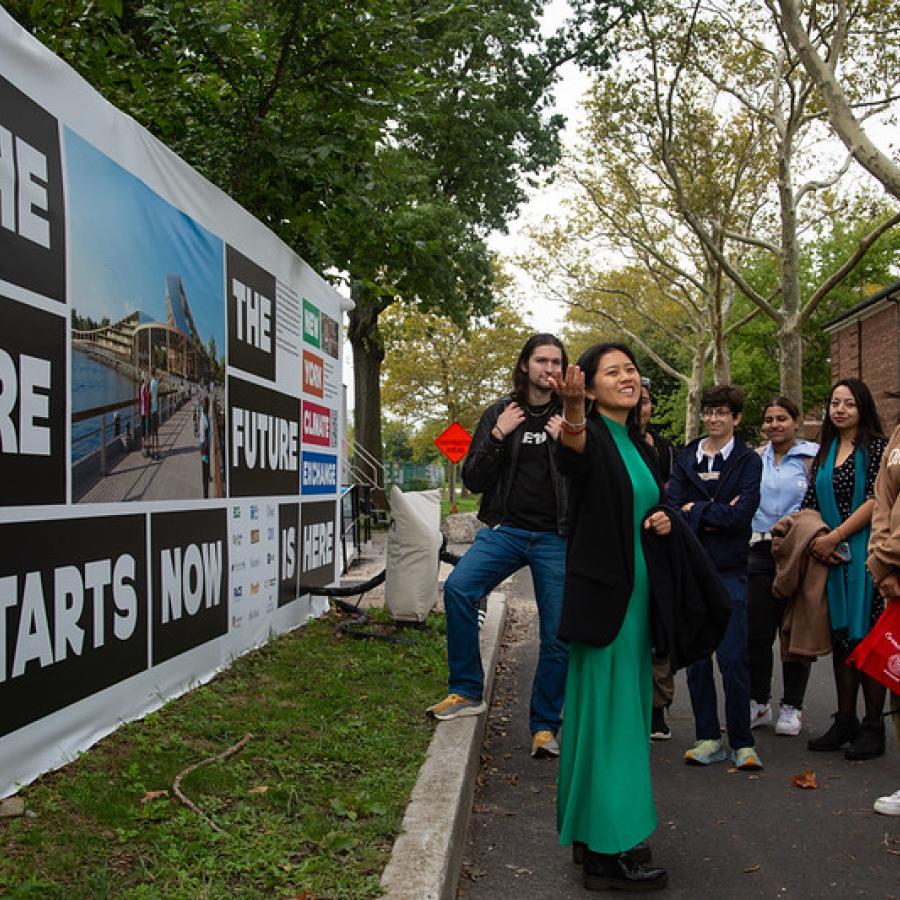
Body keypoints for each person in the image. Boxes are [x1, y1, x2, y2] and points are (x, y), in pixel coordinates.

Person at [551, 342, 669, 892]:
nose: (627, 377)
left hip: (635, 600)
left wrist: (663, 520)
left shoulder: (637, 443)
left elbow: (637, 507)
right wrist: (573, 411)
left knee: (613, 719)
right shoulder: (590, 432)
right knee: (610, 722)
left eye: (631, 369)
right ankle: (606, 852)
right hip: (607, 603)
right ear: (589, 386)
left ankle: (595, 832)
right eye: (612, 371)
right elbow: (572, 456)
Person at [426, 334, 570, 760]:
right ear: (525, 365)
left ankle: (545, 726)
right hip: (505, 530)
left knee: (558, 631)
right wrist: (496, 434)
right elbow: (473, 479)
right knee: (459, 588)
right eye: (542, 360)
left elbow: (588, 475)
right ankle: (467, 690)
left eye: (557, 362)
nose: (550, 369)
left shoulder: (574, 413)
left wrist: (571, 440)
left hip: (556, 536)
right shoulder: (500, 412)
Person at [668, 384, 763, 770]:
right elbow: (674, 508)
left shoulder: (747, 460)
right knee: (697, 660)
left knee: (733, 659)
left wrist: (698, 509)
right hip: (692, 571)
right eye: (709, 411)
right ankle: (708, 737)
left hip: (731, 571)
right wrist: (712, 510)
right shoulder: (686, 456)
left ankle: (742, 741)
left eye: (722, 412)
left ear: (736, 418)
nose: (714, 418)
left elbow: (741, 517)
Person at [803, 378, 888, 759]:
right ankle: (846, 719)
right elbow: (809, 501)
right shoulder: (825, 451)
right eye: (834, 403)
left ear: (863, 408)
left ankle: (873, 726)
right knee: (841, 641)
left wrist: (835, 535)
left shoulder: (878, 449)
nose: (839, 410)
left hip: (868, 554)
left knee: (868, 641)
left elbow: (875, 500)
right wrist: (817, 538)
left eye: (848, 404)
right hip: (832, 558)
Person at [747, 397, 818, 736]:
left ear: (796, 421)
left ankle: (793, 706)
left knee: (793, 632)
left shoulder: (812, 456)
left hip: (796, 551)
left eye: (782, 418)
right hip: (759, 549)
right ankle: (759, 703)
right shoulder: (754, 458)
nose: (775, 424)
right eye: (769, 419)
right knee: (758, 632)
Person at [866, 393, 900, 814]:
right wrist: (883, 565)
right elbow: (883, 501)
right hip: (893, 572)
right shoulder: (897, 437)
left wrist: (886, 558)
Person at [638, 379, 678, 740]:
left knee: (658, 631)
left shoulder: (664, 450)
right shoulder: (605, 443)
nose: (640, 406)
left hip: (657, 548)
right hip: (619, 551)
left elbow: (675, 498)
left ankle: (657, 708)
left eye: (646, 400)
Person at [198, 394, 211, 499]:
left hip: (206, 445)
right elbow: (202, 433)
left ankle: (207, 478)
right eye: (207, 404)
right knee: (204, 466)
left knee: (206, 466)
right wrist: (202, 448)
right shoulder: (204, 417)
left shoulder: (206, 415)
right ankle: (205, 494)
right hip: (204, 446)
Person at [149, 369, 160, 460]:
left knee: (153, 431)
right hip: (156, 407)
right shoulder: (156, 382)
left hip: (152, 409)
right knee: (156, 431)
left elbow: (151, 396)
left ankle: (154, 452)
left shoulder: (152, 383)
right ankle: (157, 450)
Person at [140, 374, 151, 457]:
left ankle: (145, 447)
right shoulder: (144, 388)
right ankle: (144, 447)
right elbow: (144, 400)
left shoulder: (144, 388)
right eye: (147, 380)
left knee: (146, 429)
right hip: (145, 411)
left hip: (145, 411)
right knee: (145, 429)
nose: (148, 382)